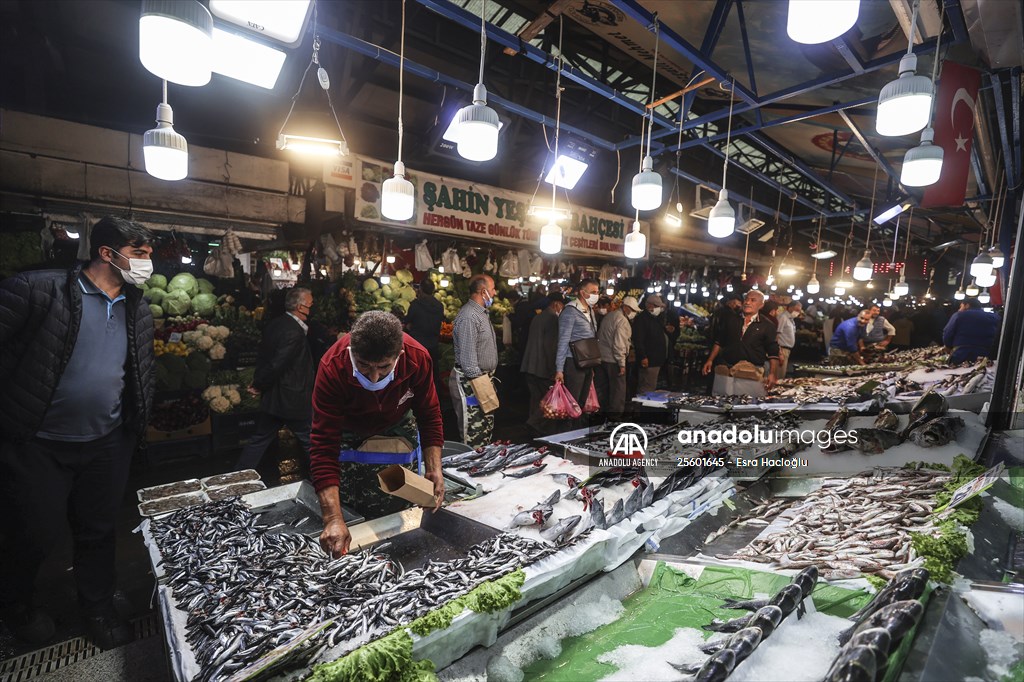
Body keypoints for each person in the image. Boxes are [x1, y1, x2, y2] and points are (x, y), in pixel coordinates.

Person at [0, 216, 155, 649]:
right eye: (139, 254)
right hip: (38, 443)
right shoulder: (36, 290)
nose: (147, 263)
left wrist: (133, 425)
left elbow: (137, 371)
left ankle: (98, 608)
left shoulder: (137, 306)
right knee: (32, 531)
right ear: (108, 253)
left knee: (99, 531)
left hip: (106, 442)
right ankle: (17, 606)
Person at [310, 311, 444, 556]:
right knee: (350, 507)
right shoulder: (332, 366)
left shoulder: (417, 358)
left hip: (397, 424)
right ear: (351, 351)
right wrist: (332, 518)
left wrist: (435, 468)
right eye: (363, 365)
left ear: (399, 355)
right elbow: (323, 444)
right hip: (348, 430)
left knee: (401, 504)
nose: (373, 376)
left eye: (383, 367)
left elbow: (429, 414)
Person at [235, 287, 315, 478]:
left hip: (275, 398)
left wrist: (261, 384)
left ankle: (238, 477)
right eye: (310, 305)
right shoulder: (293, 332)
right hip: (292, 397)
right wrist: (258, 384)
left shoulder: (276, 324)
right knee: (310, 440)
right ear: (301, 307)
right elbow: (276, 364)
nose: (312, 308)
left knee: (260, 439)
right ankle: (325, 479)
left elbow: (266, 359)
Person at [449, 274, 499, 447]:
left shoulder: (481, 313)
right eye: (492, 289)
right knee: (473, 435)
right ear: (483, 291)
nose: (494, 293)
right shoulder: (469, 316)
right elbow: (469, 362)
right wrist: (482, 388)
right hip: (471, 383)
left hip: (482, 380)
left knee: (485, 433)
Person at [701, 289, 780, 390]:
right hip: (727, 368)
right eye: (746, 299)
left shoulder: (767, 325)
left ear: (761, 305)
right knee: (722, 400)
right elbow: (719, 341)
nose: (747, 302)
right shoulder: (731, 319)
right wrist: (710, 360)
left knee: (747, 403)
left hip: (751, 372)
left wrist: (773, 374)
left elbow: (773, 352)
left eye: (753, 300)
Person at [554, 279, 600, 426]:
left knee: (581, 402)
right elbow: (562, 340)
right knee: (571, 402)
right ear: (582, 292)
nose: (596, 295)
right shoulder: (570, 311)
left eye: (597, 292)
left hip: (587, 362)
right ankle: (566, 434)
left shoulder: (591, 311)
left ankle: (576, 433)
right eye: (593, 292)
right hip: (572, 361)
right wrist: (559, 369)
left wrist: (591, 366)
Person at [519, 293, 566, 434]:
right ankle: (534, 424)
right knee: (546, 401)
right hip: (542, 368)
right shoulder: (552, 319)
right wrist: (555, 369)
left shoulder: (538, 317)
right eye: (562, 306)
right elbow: (550, 347)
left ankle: (533, 429)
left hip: (530, 365)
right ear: (557, 304)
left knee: (535, 399)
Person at [596, 296, 640, 417]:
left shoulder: (610, 315)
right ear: (625, 308)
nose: (634, 313)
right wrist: (621, 364)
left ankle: (601, 414)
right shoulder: (622, 321)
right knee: (618, 391)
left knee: (603, 389)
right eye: (633, 310)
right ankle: (614, 418)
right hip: (613, 360)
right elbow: (619, 344)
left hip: (602, 358)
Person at [404, 278, 444, 385]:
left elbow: (407, 321)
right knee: (433, 375)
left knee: (416, 375)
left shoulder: (416, 305)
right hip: (433, 345)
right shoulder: (440, 306)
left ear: (420, 290)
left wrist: (409, 326)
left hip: (417, 346)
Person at [633, 294, 672, 394]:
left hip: (656, 359)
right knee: (647, 386)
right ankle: (642, 406)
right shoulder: (642, 319)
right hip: (649, 359)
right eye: (657, 306)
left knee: (650, 385)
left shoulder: (656, 318)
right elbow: (638, 340)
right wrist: (643, 357)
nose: (659, 309)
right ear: (650, 306)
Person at [942, 299, 1001, 364]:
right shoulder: (994, 317)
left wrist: (949, 346)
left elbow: (947, 334)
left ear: (967, 305)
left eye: (961, 306)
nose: (959, 309)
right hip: (986, 355)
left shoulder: (958, 315)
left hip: (961, 354)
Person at [775, 301, 799, 379]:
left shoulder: (791, 319)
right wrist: (780, 352)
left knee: (782, 374)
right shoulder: (783, 317)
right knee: (779, 376)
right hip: (782, 349)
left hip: (787, 350)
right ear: (791, 307)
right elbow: (777, 334)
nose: (798, 312)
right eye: (797, 309)